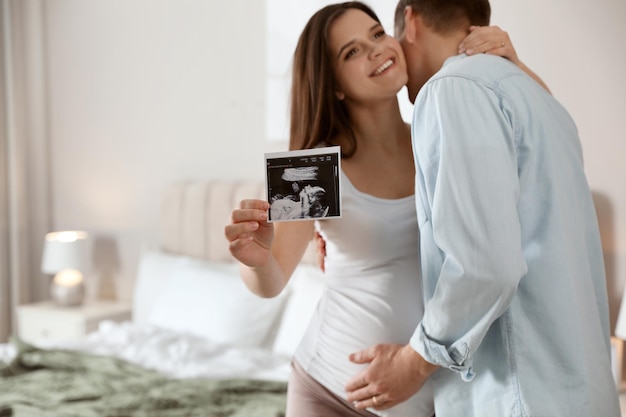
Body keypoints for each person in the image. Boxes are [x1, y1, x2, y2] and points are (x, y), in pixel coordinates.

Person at [225, 2, 550, 416]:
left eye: (377, 34)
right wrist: (255, 259)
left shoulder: (442, 139)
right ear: (335, 84)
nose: (376, 49)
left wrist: (514, 63)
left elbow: (547, 135)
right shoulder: (312, 167)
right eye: (352, 52)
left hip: (424, 401)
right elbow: (270, 282)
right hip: (327, 390)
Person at [343, 1, 621, 416]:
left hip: (519, 396)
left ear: (413, 21)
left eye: (384, 35)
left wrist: (412, 364)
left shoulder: (451, 90)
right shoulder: (545, 103)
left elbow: (484, 265)